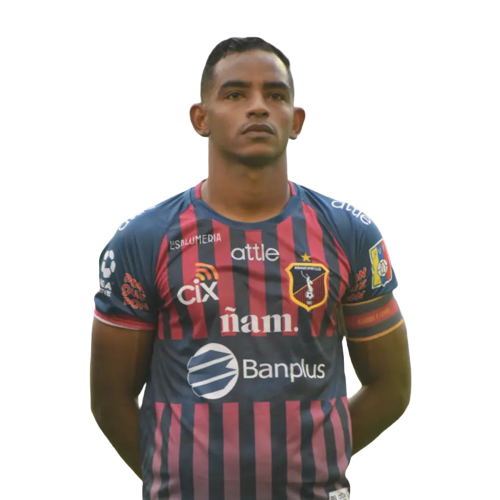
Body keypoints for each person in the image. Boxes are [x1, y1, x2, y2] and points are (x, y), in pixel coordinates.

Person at [90, 36, 411, 500]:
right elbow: (110, 399)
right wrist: (173, 475)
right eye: (235, 93)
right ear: (200, 118)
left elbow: (392, 388)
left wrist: (319, 459)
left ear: (296, 121)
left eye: (275, 95)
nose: (258, 107)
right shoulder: (144, 238)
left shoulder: (350, 232)